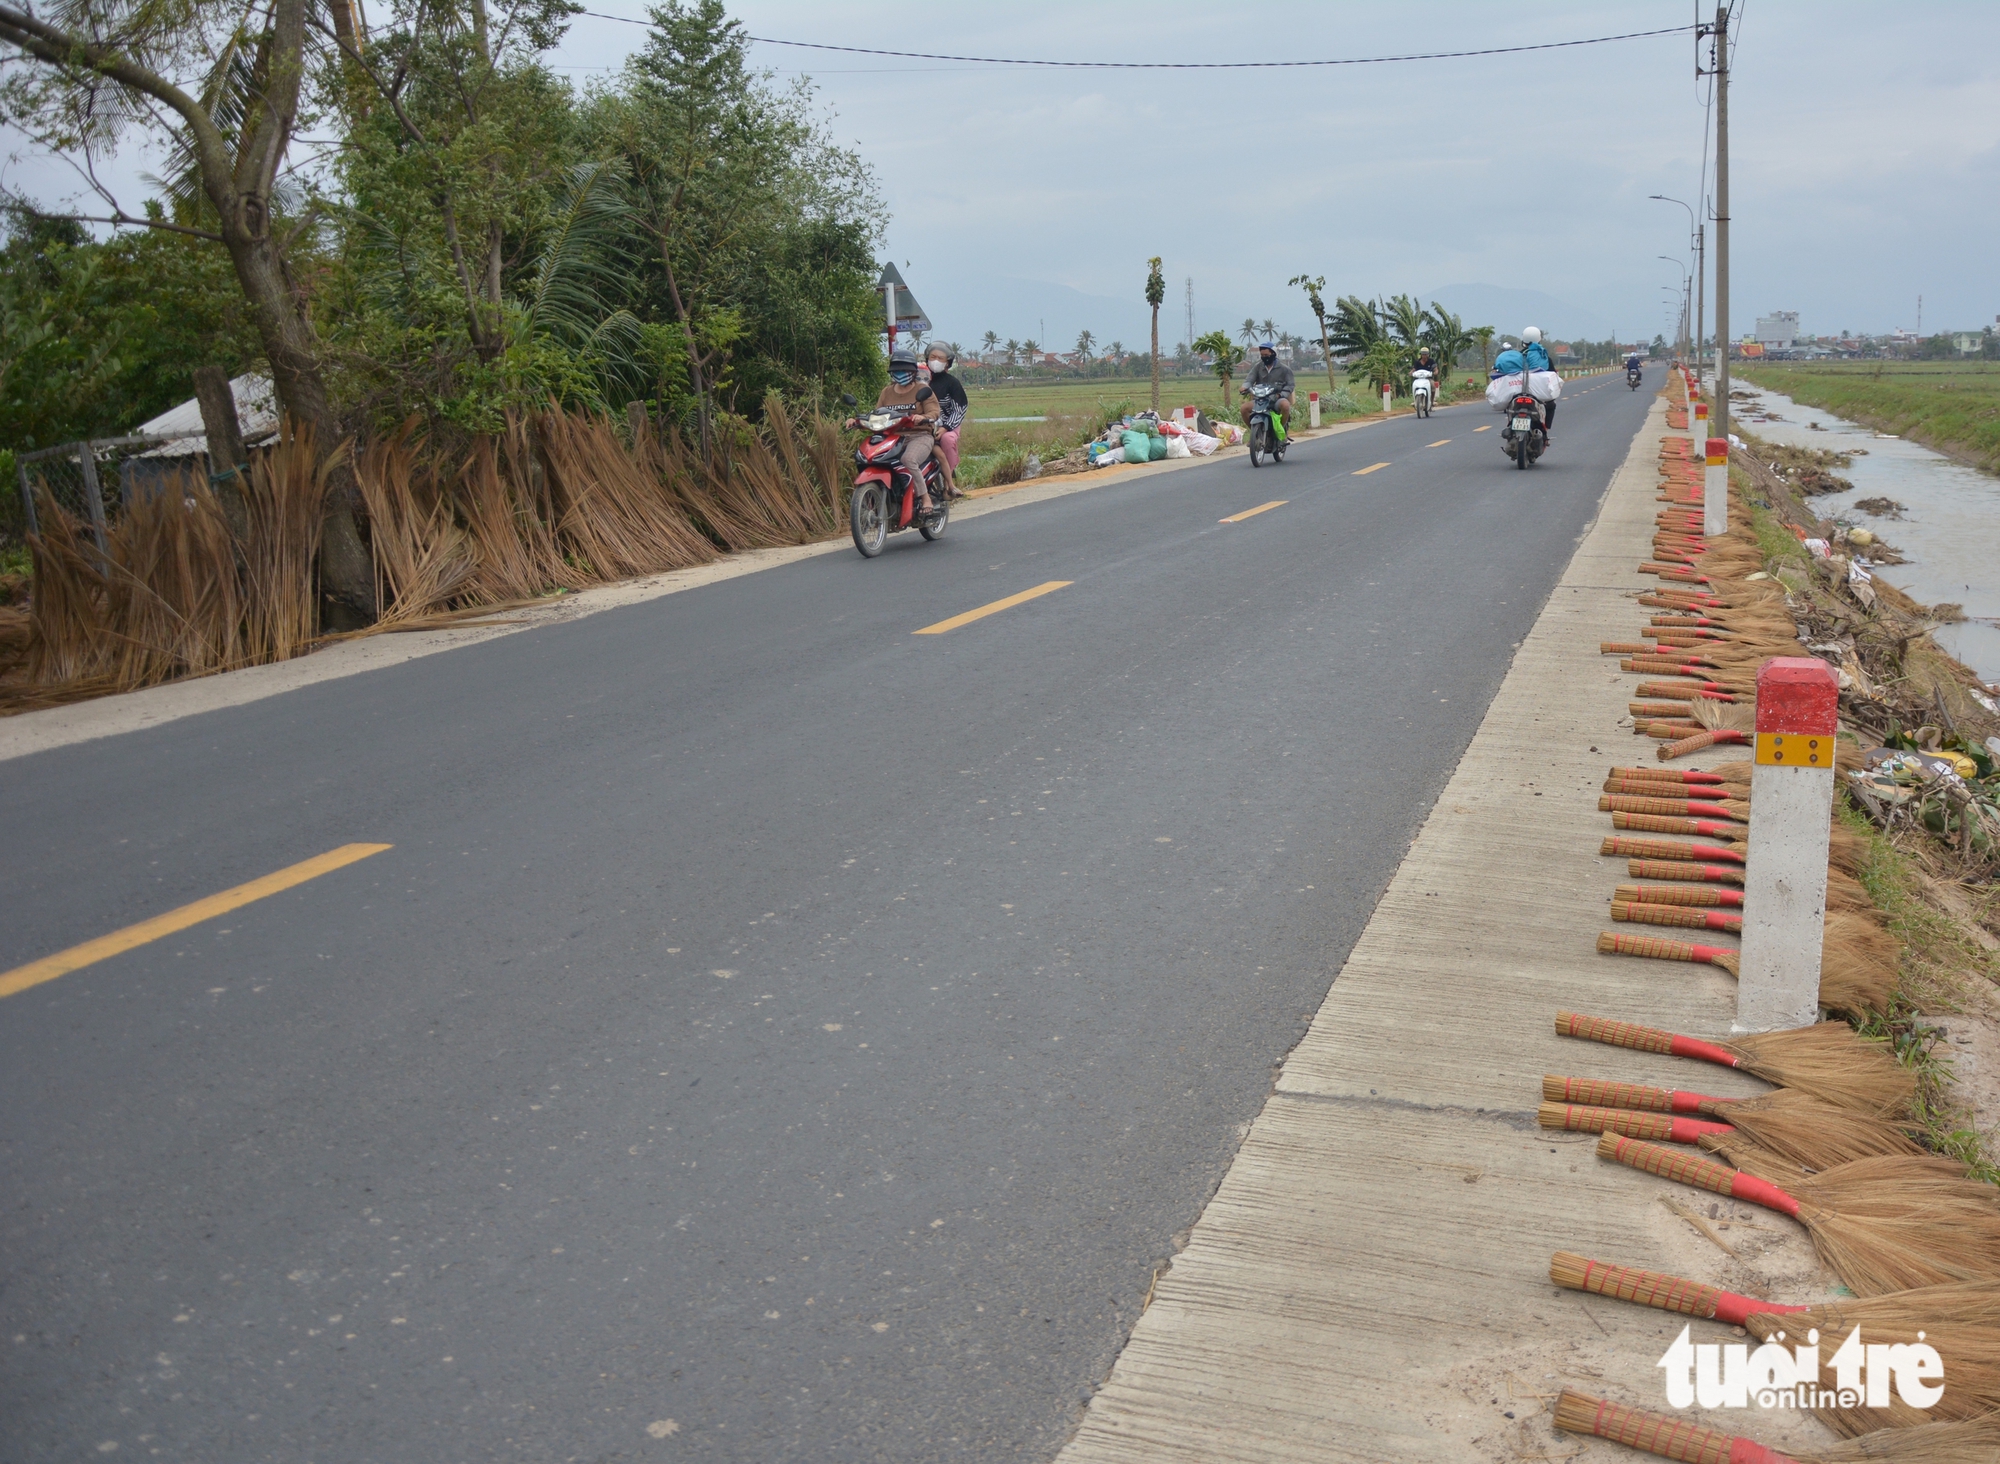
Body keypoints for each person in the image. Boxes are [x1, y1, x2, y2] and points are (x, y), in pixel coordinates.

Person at [856, 349, 942, 512]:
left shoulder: (922, 390)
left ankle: (925, 498)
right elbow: (877, 414)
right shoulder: (887, 392)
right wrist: (857, 421)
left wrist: (922, 417)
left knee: (909, 459)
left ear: (913, 372)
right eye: (896, 371)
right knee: (869, 458)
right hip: (892, 437)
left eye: (904, 370)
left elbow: (934, 412)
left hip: (919, 435)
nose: (900, 373)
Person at [925, 344, 967, 496]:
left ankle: (950, 482)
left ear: (947, 362)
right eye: (933, 357)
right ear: (927, 359)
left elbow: (960, 408)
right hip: (923, 424)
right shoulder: (921, 380)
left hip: (948, 424)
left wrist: (946, 427)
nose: (936, 360)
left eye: (940, 358)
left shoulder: (952, 383)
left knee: (947, 440)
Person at [1238, 341, 1294, 433]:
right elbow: (1249, 380)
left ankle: (1281, 430)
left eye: (1266, 354)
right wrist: (1244, 387)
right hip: (1260, 399)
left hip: (1277, 398)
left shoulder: (1284, 369)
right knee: (1244, 408)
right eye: (1262, 355)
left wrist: (1280, 395)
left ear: (1273, 353)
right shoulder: (1258, 367)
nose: (1264, 357)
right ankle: (1255, 434)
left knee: (1285, 406)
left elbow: (1290, 385)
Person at [1522, 326, 1558, 439]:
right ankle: (1545, 431)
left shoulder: (1518, 356)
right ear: (1539, 339)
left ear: (1523, 340)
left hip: (1519, 393)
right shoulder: (1545, 357)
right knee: (1551, 405)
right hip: (1537, 396)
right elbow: (1553, 376)